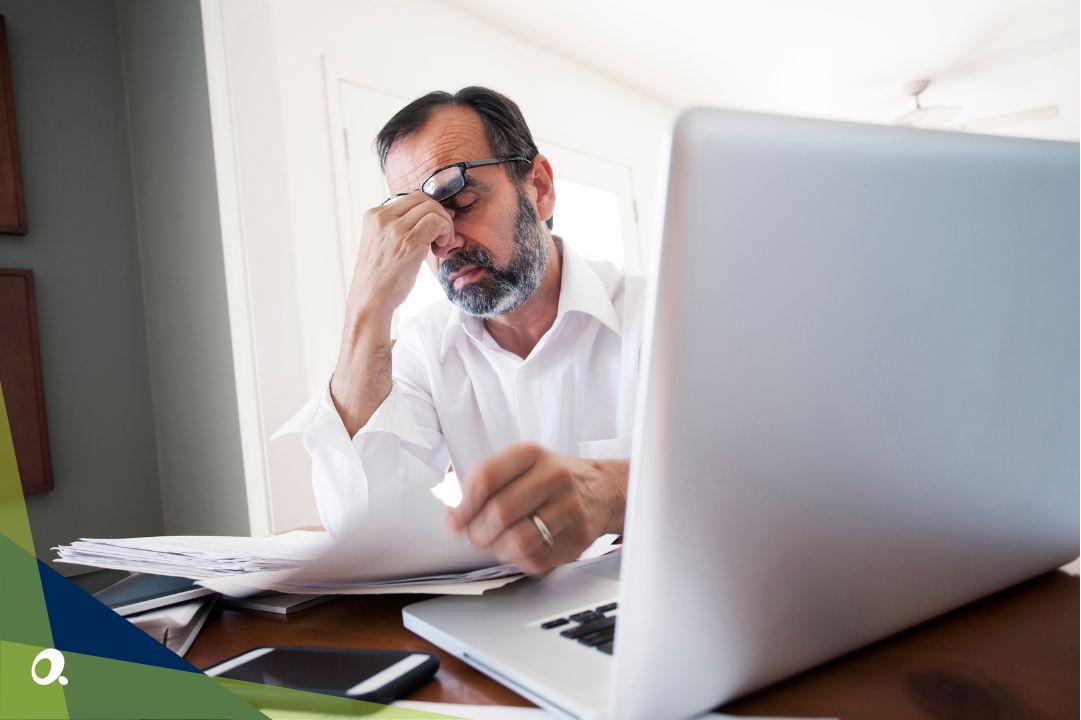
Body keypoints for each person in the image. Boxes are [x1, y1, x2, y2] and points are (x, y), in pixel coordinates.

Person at [284, 87, 647, 574]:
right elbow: (363, 521)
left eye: (461, 200)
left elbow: (761, 482)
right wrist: (368, 305)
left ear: (538, 187)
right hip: (503, 627)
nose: (443, 241)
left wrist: (613, 490)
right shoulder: (422, 349)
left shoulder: (665, 315)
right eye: (414, 221)